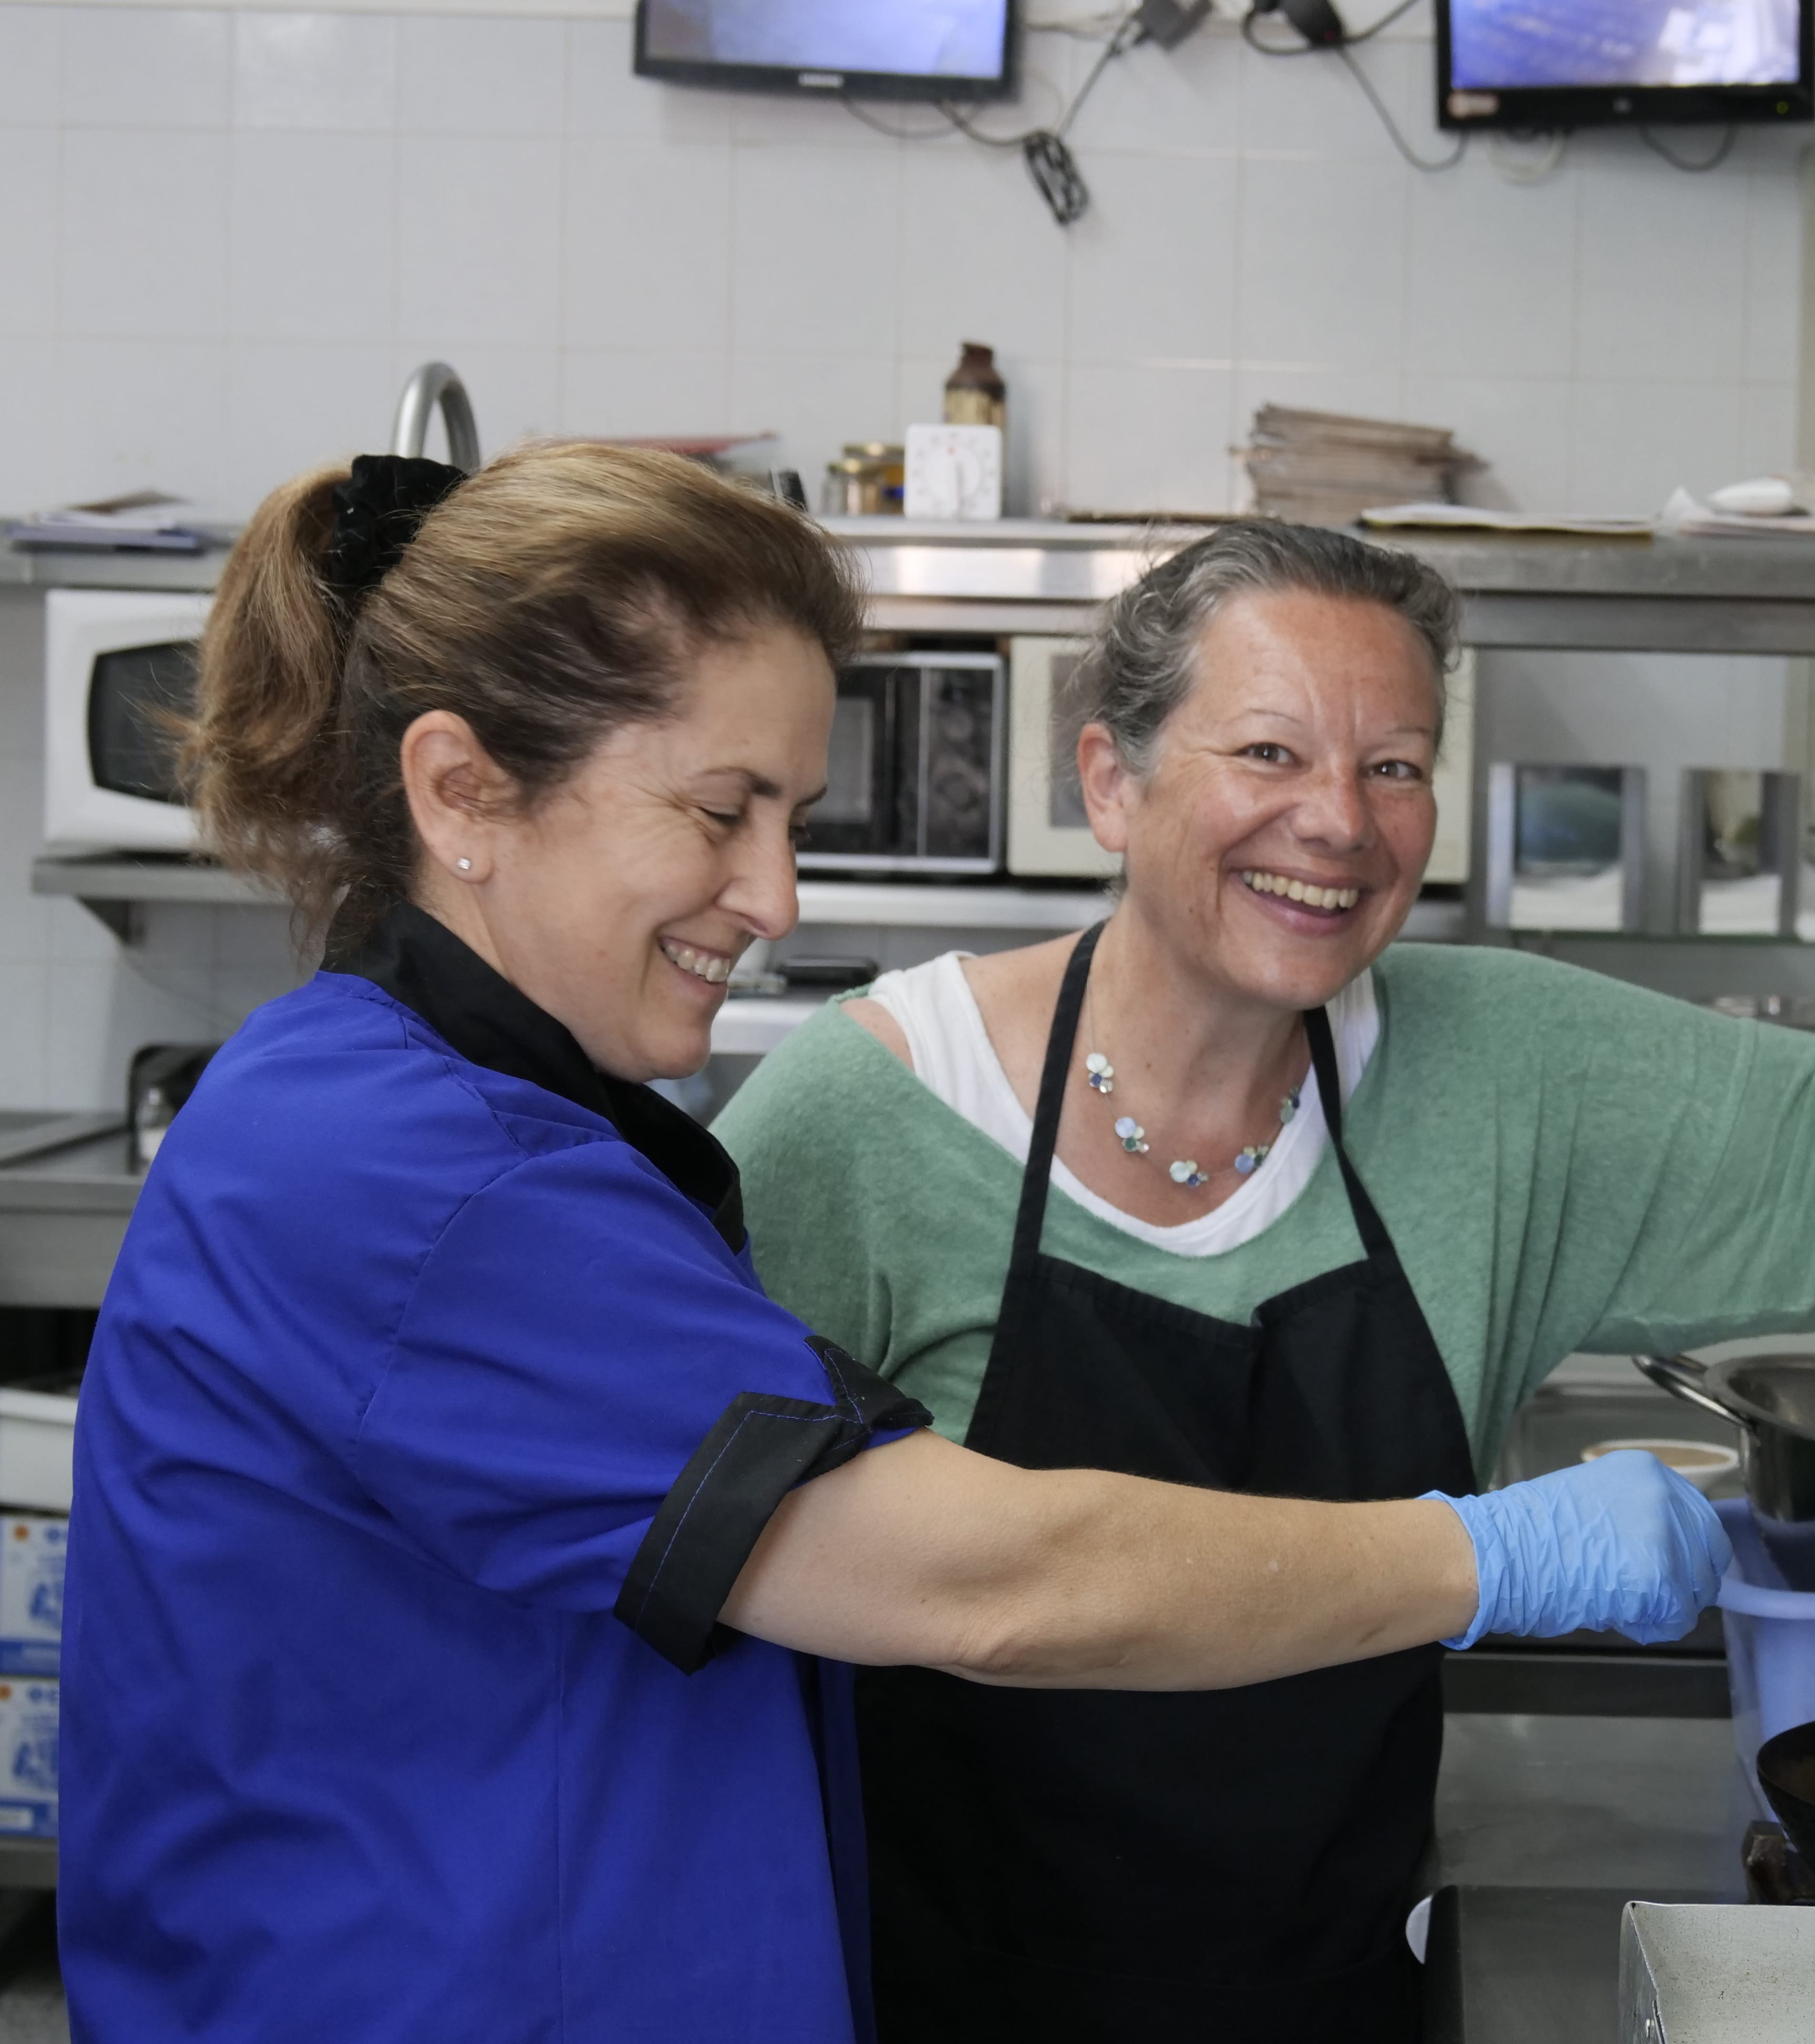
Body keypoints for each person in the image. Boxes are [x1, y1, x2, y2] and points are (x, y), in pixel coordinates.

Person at [58, 449, 1729, 2042]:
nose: (778, 894)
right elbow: (993, 1580)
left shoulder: (472, 1120)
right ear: (462, 790)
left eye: (790, 813)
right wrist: (1493, 1560)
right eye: (722, 812)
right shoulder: (421, 1181)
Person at [716, 519, 1815, 2042]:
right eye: (1270, 753)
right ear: (1114, 779)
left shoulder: (1494, 1078)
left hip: (1328, 1989)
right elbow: (715, 1588)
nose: (1340, 824)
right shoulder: (865, 1122)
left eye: (1396, 766)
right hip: (916, 1996)